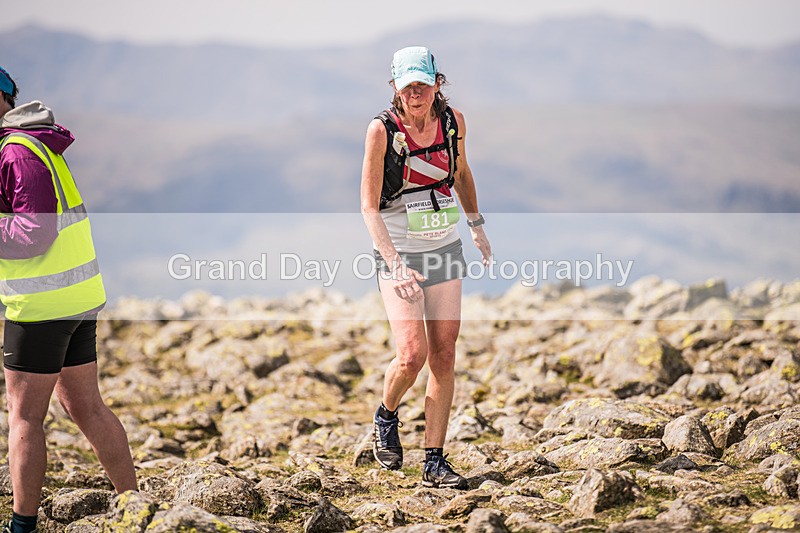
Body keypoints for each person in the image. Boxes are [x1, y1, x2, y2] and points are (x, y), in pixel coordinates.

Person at [0, 66, 137, 533]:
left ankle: (22, 525)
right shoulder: (37, 145)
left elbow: (34, 232)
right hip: (75, 299)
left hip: (40, 308)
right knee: (86, 406)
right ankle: (133, 505)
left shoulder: (16, 152)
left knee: (23, 418)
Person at [360, 47, 492, 489]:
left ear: (437, 82)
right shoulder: (382, 131)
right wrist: (395, 266)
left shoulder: (452, 122)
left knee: (445, 351)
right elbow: (367, 205)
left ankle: (434, 460)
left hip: (443, 244)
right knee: (412, 354)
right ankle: (386, 414)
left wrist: (476, 226)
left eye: (422, 84)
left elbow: (461, 173)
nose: (415, 94)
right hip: (397, 248)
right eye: (407, 86)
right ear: (395, 88)